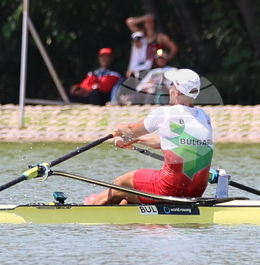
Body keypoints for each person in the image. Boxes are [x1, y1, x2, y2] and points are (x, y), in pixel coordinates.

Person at [85, 68, 213, 205]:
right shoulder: (204, 117)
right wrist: (137, 141)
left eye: (171, 84)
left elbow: (130, 129)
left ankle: (90, 207)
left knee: (121, 183)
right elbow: (171, 141)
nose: (169, 87)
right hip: (196, 191)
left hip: (168, 190)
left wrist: (119, 129)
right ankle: (124, 214)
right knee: (126, 198)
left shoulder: (165, 113)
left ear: (178, 90)